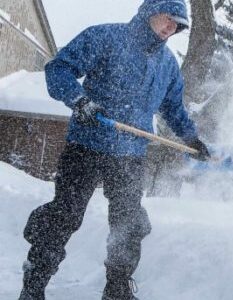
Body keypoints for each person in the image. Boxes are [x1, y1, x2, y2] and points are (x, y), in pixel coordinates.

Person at [19, 1, 210, 299]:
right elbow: (59, 69)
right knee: (65, 215)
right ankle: (34, 283)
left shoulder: (168, 64)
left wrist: (191, 139)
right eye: (168, 19)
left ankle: (117, 288)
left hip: (131, 154)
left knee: (129, 223)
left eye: (177, 25)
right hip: (87, 145)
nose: (171, 28)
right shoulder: (106, 37)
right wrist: (79, 101)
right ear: (151, 12)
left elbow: (173, 109)